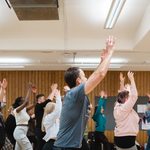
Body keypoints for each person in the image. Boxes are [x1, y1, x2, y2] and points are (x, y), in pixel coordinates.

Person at [54, 36, 115, 150]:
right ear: (78, 81)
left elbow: (97, 74)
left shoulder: (78, 95)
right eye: (84, 76)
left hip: (71, 146)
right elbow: (99, 75)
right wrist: (110, 52)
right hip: (65, 147)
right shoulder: (74, 94)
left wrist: (102, 61)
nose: (86, 78)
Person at [114, 71, 139, 150]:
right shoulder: (124, 108)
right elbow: (134, 96)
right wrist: (132, 80)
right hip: (126, 140)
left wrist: (122, 83)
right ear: (126, 99)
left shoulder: (117, 106)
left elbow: (121, 94)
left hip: (120, 139)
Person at [35, 83, 58, 150]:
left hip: (42, 129)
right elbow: (48, 101)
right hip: (39, 130)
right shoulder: (38, 106)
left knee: (42, 146)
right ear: (39, 100)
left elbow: (47, 102)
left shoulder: (41, 106)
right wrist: (53, 90)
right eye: (43, 99)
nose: (44, 100)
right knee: (40, 146)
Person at [13, 83, 35, 150]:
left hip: (23, 132)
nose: (25, 100)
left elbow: (34, 103)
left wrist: (34, 93)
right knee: (29, 148)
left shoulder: (24, 109)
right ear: (19, 103)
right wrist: (29, 89)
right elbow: (26, 102)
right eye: (23, 99)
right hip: (19, 132)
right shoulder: (16, 110)